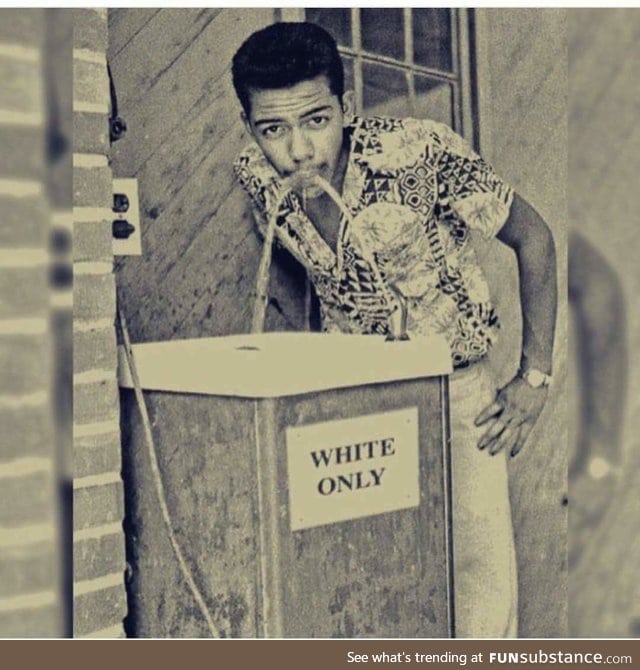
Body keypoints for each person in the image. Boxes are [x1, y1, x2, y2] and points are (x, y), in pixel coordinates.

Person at [231, 22, 557, 638]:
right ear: (251, 128)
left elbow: (534, 239)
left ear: (346, 108)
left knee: (478, 590)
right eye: (273, 129)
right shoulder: (258, 176)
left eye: (316, 120)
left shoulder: (420, 149)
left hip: (454, 395)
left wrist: (534, 377)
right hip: (350, 402)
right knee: (367, 580)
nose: (298, 150)